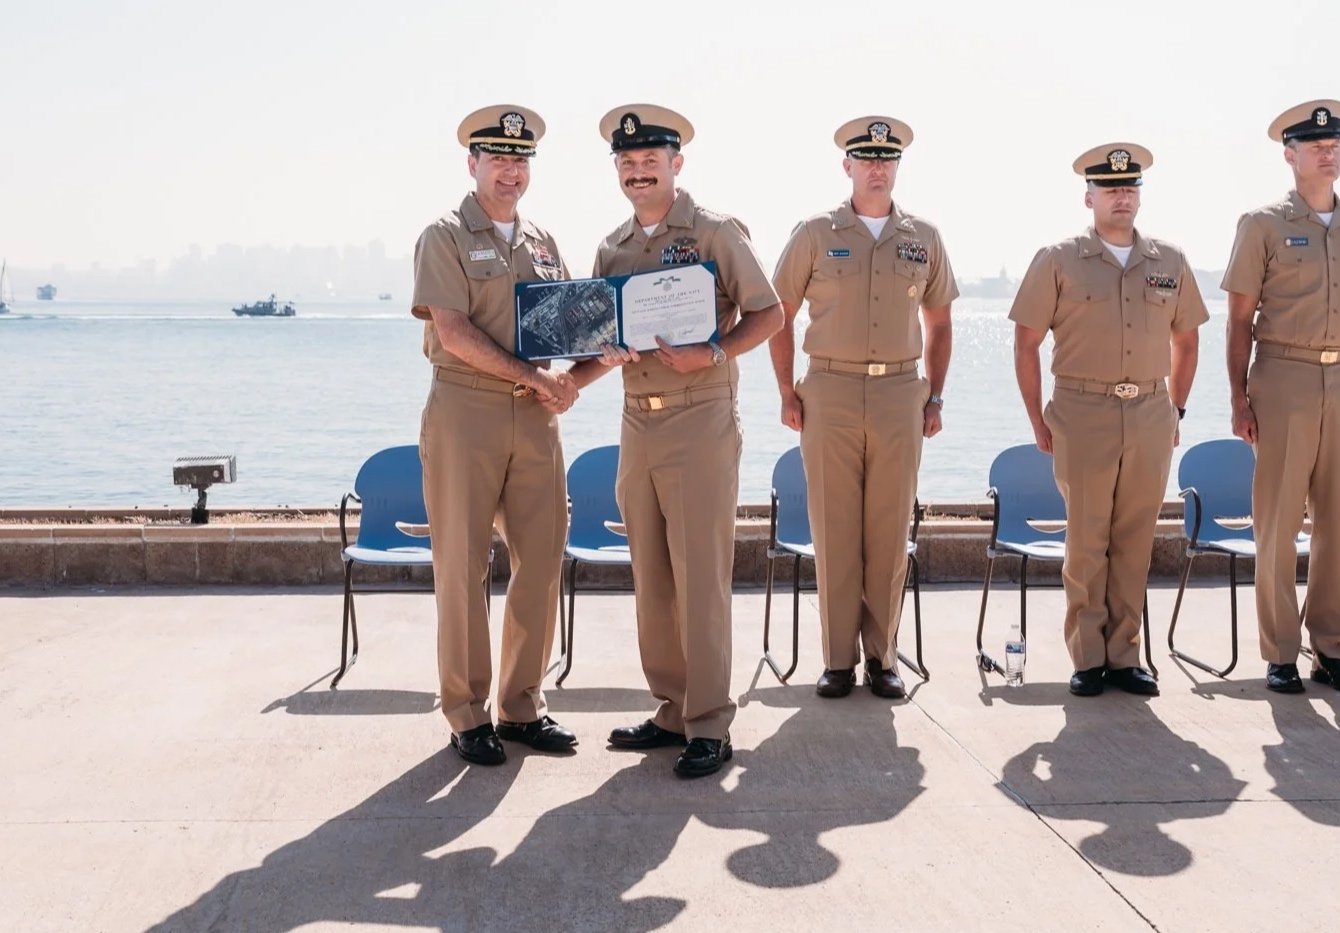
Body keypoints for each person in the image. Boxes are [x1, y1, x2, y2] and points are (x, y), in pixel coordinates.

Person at [566, 104, 784, 778]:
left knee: (699, 575)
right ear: (617, 170)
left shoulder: (715, 232)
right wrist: (569, 378)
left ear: (675, 164)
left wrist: (712, 352)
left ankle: (710, 722)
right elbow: (601, 342)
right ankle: (671, 709)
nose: (639, 172)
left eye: (650, 161)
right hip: (637, 420)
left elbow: (770, 313)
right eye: (627, 163)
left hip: (699, 418)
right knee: (654, 576)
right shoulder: (612, 248)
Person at [409, 104, 581, 765]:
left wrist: (593, 358)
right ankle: (465, 713)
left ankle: (521, 706)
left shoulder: (542, 240)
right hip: (466, 411)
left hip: (536, 417)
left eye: (520, 160)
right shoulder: (445, 235)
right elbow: (453, 333)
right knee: (462, 566)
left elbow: (569, 324)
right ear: (472, 164)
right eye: (498, 158)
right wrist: (536, 378)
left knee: (541, 560)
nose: (511, 171)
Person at [768, 116, 957, 699]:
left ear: (897, 165)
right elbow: (778, 314)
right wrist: (786, 391)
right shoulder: (814, 233)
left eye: (887, 157)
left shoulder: (924, 237)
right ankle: (836, 661)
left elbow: (940, 322)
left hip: (901, 392)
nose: (877, 167)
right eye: (867, 158)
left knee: (889, 530)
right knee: (834, 529)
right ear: (847, 165)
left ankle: (883, 658)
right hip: (830, 390)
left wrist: (935, 395)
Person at [1009, 143, 1206, 697]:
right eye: (1110, 188)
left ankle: (1125, 656)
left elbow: (1188, 341)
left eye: (1130, 187)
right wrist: (1037, 419)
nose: (1122, 196)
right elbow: (1025, 343)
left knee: (1136, 540)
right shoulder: (1058, 259)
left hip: (1149, 411)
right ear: (1088, 197)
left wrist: (1175, 410)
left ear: (1139, 195)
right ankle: (1088, 658)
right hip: (1082, 411)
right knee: (1087, 541)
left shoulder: (1169, 261)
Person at [1221, 99, 1340, 696]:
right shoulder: (1261, 224)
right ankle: (1280, 653)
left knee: (1338, 524)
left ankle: (1333, 649)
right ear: (1290, 156)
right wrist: (1239, 399)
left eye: (1334, 144)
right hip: (1283, 379)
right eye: (1316, 146)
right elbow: (1238, 320)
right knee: (1278, 522)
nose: (1327, 153)